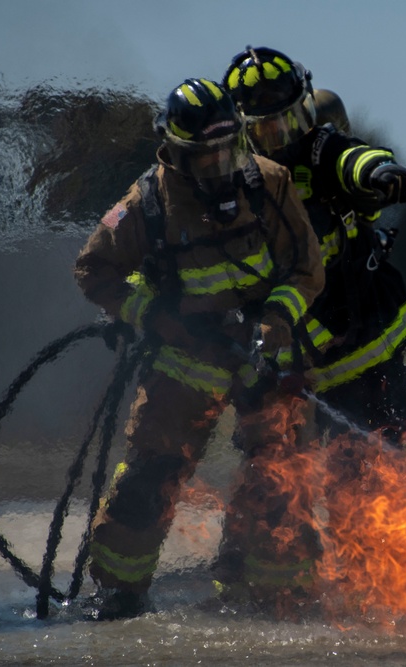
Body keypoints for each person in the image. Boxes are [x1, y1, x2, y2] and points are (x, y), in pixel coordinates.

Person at [73, 78, 324, 620]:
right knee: (148, 479)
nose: (218, 166)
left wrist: (276, 321)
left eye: (225, 151)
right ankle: (118, 594)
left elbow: (307, 269)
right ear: (176, 152)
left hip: (265, 361)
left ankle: (275, 596)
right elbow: (94, 269)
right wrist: (158, 319)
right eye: (204, 157)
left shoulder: (271, 183)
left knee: (278, 479)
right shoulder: (146, 204)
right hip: (185, 364)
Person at [222, 46, 406, 447]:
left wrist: (379, 170)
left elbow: (351, 156)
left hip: (356, 337)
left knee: (366, 472)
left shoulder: (318, 150)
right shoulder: (232, 181)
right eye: (267, 130)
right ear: (243, 130)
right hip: (282, 358)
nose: (281, 140)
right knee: (273, 474)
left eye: (290, 122)